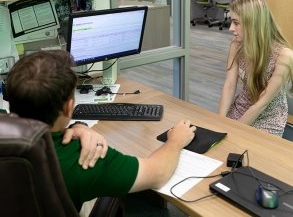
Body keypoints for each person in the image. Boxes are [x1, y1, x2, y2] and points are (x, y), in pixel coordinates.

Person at [6, 50, 196, 211]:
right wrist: (175, 140)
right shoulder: (83, 157)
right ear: (68, 107)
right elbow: (157, 174)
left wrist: (77, 126)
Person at [218, 0, 293, 136]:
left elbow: (262, 103)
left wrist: (233, 131)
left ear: (253, 23)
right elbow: (230, 84)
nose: (230, 28)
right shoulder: (237, 45)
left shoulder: (284, 57)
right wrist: (220, 121)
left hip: (268, 118)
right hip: (241, 107)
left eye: (236, 22)